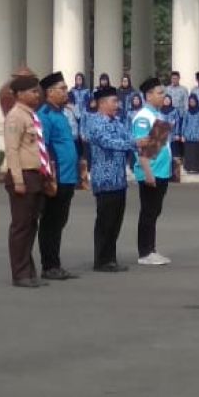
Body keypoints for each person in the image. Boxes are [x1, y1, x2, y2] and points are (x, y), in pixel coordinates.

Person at [84, 85, 139, 272]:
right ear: (102, 103)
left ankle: (110, 258)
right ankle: (101, 260)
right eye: (114, 101)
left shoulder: (117, 122)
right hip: (104, 179)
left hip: (119, 179)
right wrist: (132, 144)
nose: (118, 104)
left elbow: (129, 137)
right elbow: (107, 142)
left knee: (116, 220)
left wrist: (144, 142)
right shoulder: (94, 122)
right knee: (105, 221)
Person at [3, 75, 51, 288]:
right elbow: (12, 150)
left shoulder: (31, 115)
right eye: (32, 91)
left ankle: (28, 271)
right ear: (20, 94)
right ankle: (20, 273)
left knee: (31, 225)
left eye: (37, 91)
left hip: (35, 174)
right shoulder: (15, 117)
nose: (37, 94)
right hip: (23, 174)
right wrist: (17, 180)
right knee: (21, 226)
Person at [37, 72, 80, 280]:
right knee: (51, 222)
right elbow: (43, 148)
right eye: (62, 89)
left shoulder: (61, 113)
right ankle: (49, 265)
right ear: (49, 92)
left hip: (69, 177)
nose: (66, 92)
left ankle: (55, 262)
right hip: (57, 178)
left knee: (60, 221)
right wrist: (49, 176)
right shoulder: (45, 114)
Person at [132, 77, 173, 266]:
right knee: (148, 212)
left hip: (161, 171)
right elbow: (142, 147)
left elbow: (159, 144)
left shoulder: (158, 115)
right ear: (148, 95)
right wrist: (147, 173)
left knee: (154, 211)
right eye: (159, 93)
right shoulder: (143, 117)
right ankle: (145, 252)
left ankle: (151, 249)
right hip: (151, 172)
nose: (163, 96)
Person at [180, 94, 199, 174]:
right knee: (189, 152)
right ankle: (189, 168)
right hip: (188, 135)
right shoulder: (186, 112)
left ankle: (198, 168)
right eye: (190, 101)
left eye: (193, 101)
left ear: (196, 101)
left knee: (197, 152)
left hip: (198, 135)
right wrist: (183, 135)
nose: (192, 103)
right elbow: (184, 123)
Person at [161, 94, 183, 159]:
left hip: (173, 135)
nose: (167, 101)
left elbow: (178, 122)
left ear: (171, 101)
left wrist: (177, 134)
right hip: (162, 135)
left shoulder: (174, 110)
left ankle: (174, 166)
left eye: (168, 100)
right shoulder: (159, 110)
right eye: (165, 99)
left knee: (174, 153)